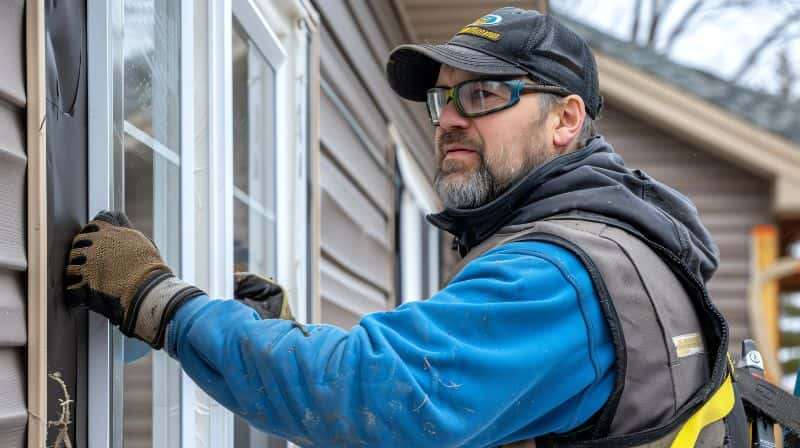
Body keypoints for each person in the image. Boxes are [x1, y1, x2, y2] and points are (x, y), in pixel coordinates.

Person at [65, 7, 743, 447]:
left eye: (482, 94)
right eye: (443, 98)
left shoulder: (559, 276)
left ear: (565, 120)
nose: (448, 117)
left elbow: (372, 395)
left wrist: (160, 302)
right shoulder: (623, 244)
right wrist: (277, 340)